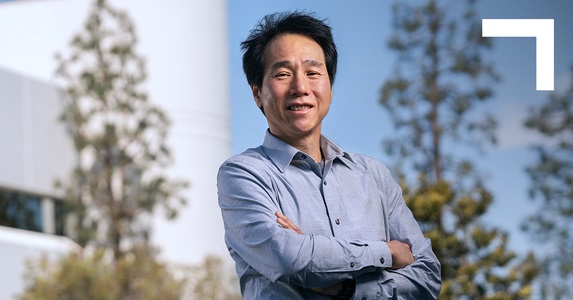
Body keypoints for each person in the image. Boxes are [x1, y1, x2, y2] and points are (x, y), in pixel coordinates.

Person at [217, 11, 441, 299]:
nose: (300, 88)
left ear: (330, 89)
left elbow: (428, 277)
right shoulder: (244, 174)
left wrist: (346, 287)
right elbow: (289, 258)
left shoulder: (373, 175)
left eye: (313, 73)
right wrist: (386, 252)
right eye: (283, 74)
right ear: (257, 93)